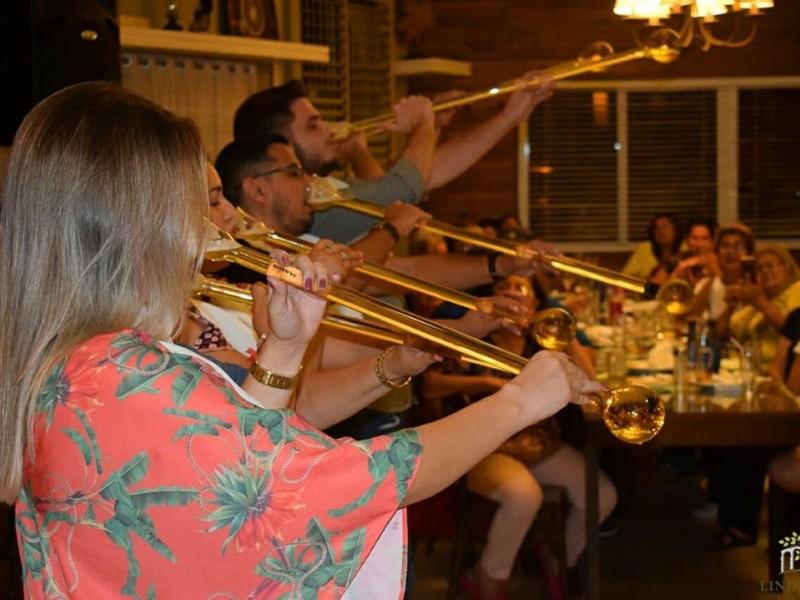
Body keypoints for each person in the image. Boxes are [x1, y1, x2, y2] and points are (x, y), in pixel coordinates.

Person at [0, 82, 601, 599]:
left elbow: (236, 480)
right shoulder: (124, 375)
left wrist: (285, 350)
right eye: (192, 206)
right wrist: (517, 402)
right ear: (138, 222)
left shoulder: (85, 360)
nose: (207, 226)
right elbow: (333, 486)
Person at [422, 275, 615, 600]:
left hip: (539, 444)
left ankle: (558, 556)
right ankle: (486, 576)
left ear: (535, 306)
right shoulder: (471, 341)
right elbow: (430, 387)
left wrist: (565, 337)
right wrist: (486, 384)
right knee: (524, 496)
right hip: (484, 448)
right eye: (503, 289)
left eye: (521, 289)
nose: (511, 293)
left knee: (603, 495)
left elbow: (593, 385)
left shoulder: (543, 345)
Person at [232, 77, 553, 243]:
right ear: (281, 143)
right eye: (314, 125)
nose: (329, 130)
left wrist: (509, 115)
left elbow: (419, 179)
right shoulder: (304, 203)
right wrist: (424, 123)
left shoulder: (318, 186)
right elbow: (402, 190)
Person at [717, 244, 800, 374]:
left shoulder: (797, 290)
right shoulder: (754, 305)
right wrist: (730, 307)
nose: (765, 271)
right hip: (746, 372)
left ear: (787, 267)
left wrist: (759, 302)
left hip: (783, 376)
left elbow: (794, 331)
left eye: (770, 266)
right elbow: (719, 335)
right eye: (760, 269)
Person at [689, 223, 754, 320]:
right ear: (717, 252)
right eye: (725, 246)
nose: (730, 252)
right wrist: (712, 277)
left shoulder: (755, 286)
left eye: (737, 246)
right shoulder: (705, 284)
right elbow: (692, 317)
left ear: (747, 253)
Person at [622, 213, 682, 284]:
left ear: (675, 229)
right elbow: (625, 277)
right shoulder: (644, 248)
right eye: (657, 228)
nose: (661, 232)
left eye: (665, 226)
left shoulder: (685, 248)